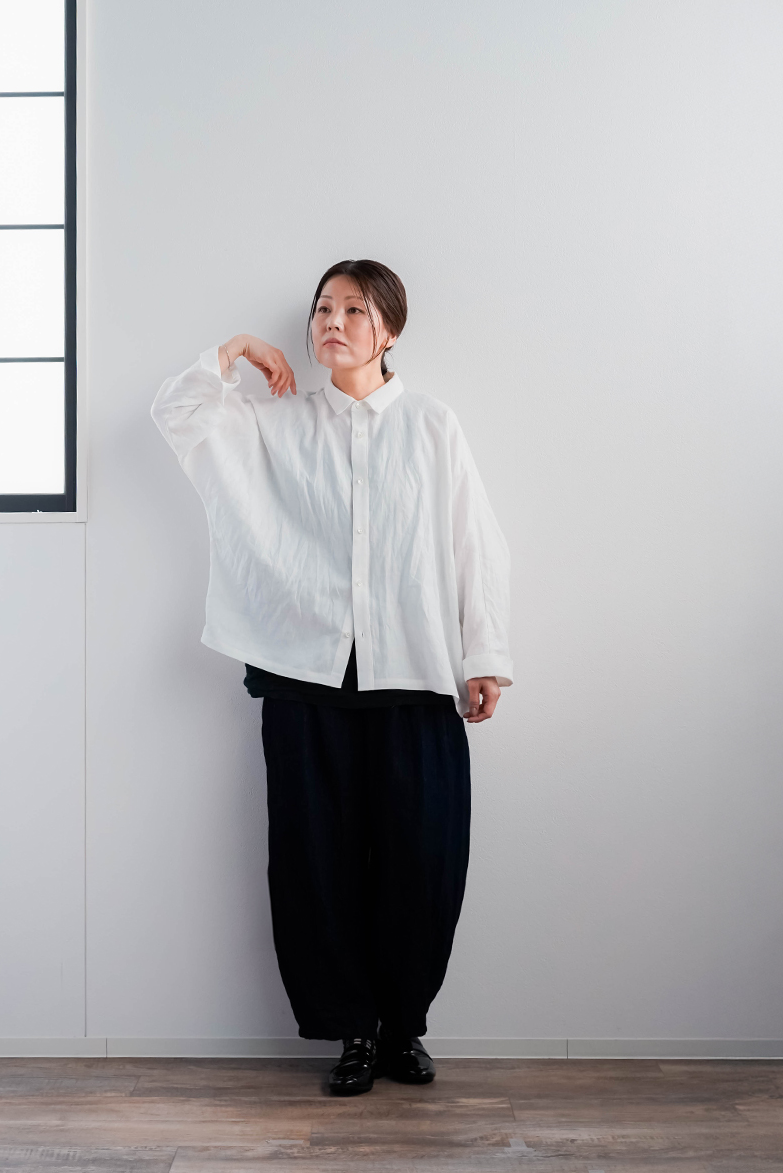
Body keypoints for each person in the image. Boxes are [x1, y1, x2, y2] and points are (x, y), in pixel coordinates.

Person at [150, 259, 513, 1096]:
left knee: (423, 858)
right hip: (304, 679)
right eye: (322, 309)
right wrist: (233, 351)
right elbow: (178, 415)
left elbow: (474, 542)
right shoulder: (276, 425)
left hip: (416, 674)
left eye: (354, 309)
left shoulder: (431, 425)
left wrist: (486, 655)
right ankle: (352, 1033)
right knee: (315, 862)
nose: (332, 322)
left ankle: (402, 1028)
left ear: (390, 330)